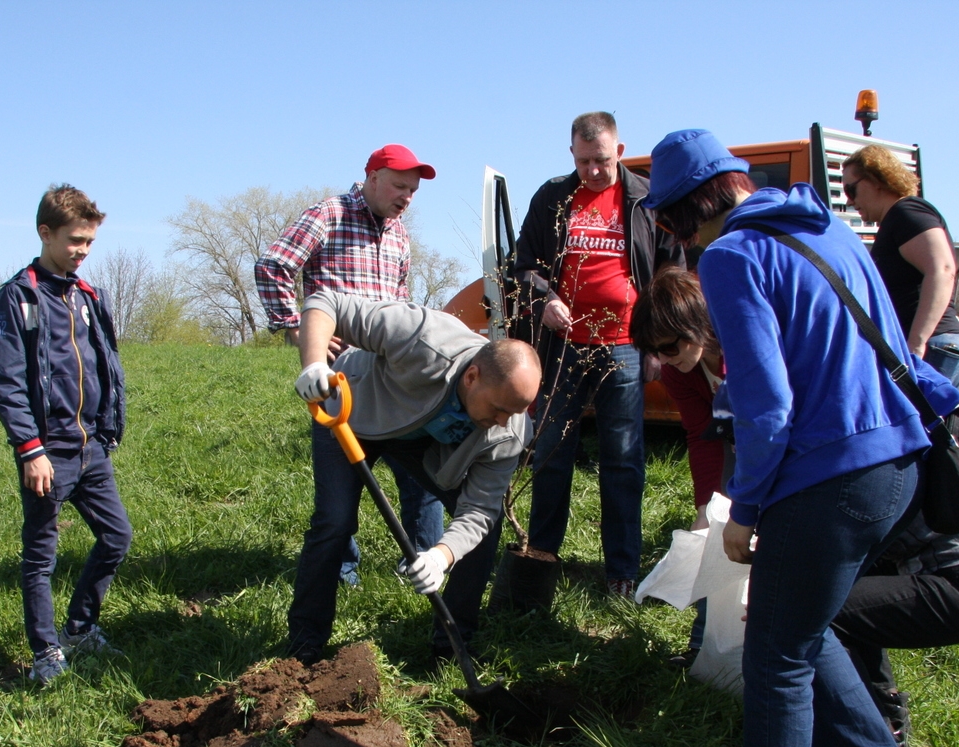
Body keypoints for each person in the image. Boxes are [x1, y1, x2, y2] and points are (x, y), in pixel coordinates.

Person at [646, 129, 937, 747]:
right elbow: (897, 351)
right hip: (896, 465)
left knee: (775, 658)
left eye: (675, 224)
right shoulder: (830, 230)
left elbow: (766, 405)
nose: (679, 241)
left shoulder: (734, 255)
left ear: (696, 204)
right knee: (810, 628)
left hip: (828, 479)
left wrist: (743, 507)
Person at [287, 290, 541, 666]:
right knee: (335, 521)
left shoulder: (510, 429)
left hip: (419, 439)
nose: (504, 421)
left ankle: (452, 645)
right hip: (351, 414)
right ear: (471, 377)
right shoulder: (424, 338)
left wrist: (441, 556)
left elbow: (479, 511)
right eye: (499, 409)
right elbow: (326, 302)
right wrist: (312, 364)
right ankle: (305, 644)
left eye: (515, 412)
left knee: (485, 532)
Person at [510, 112, 685, 598]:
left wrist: (656, 341)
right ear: (572, 155)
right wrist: (546, 299)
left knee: (623, 460)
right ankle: (541, 559)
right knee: (549, 454)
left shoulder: (647, 199)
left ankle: (621, 573)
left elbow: (672, 271)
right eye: (584, 161)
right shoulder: (552, 199)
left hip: (625, 347)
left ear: (620, 151)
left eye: (602, 161)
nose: (593, 171)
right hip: (563, 349)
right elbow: (523, 266)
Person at [254, 144, 445, 585]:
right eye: (400, 186)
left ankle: (418, 564)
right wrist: (294, 328)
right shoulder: (329, 214)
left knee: (423, 479)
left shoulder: (399, 233)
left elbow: (399, 300)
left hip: (393, 377)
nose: (407, 197)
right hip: (339, 378)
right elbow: (273, 267)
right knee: (341, 491)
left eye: (413, 191)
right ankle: (342, 570)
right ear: (372, 177)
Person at [0, 185, 131, 685]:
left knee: (117, 537)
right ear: (45, 233)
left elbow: (104, 365)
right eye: (75, 241)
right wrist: (30, 450)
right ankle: (46, 652)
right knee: (40, 556)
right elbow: (7, 383)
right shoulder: (20, 296)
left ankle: (79, 628)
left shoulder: (89, 296)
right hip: (47, 454)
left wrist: (107, 428)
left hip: (90, 447)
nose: (83, 251)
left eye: (90, 242)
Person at [832, 494, 959, 747]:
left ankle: (868, 745)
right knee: (852, 607)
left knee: (820, 612)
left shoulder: (849, 470)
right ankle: (887, 728)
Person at [630, 267, 727, 661]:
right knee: (714, 537)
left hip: (792, 448)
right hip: (739, 443)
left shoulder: (744, 345)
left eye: (669, 347)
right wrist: (706, 507)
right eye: (654, 352)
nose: (663, 360)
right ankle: (703, 648)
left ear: (696, 325)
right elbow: (702, 435)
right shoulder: (679, 372)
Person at [840, 145, 959, 388]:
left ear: (876, 180)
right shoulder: (895, 219)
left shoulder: (907, 211)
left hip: (931, 348)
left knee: (915, 425)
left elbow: (942, 270)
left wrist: (916, 345)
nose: (848, 200)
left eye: (851, 189)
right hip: (929, 348)